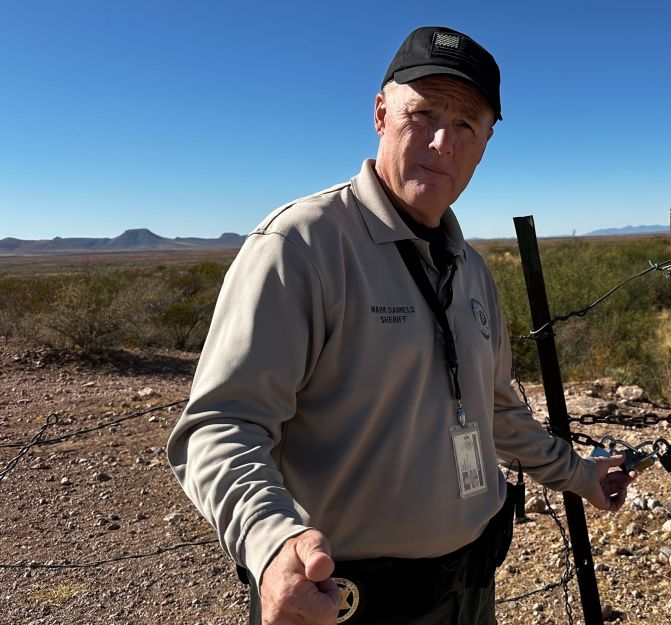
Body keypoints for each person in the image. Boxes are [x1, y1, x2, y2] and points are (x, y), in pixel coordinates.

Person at [167, 25, 635, 625]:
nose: (443, 141)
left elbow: (495, 412)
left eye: (467, 124)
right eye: (423, 113)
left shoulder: (470, 270)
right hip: (346, 603)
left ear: (487, 142)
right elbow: (222, 423)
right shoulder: (303, 245)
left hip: (471, 589)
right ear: (381, 113)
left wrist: (581, 475)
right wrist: (272, 542)